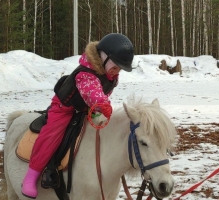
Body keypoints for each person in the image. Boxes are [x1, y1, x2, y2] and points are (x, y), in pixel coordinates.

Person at [21, 33, 134, 199]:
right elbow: (93, 93)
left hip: (87, 109)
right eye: (116, 66)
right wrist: (103, 105)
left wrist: (99, 110)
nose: (117, 72)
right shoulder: (85, 73)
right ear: (104, 59)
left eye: (119, 68)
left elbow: (103, 93)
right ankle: (32, 176)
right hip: (64, 108)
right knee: (51, 135)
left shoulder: (111, 76)